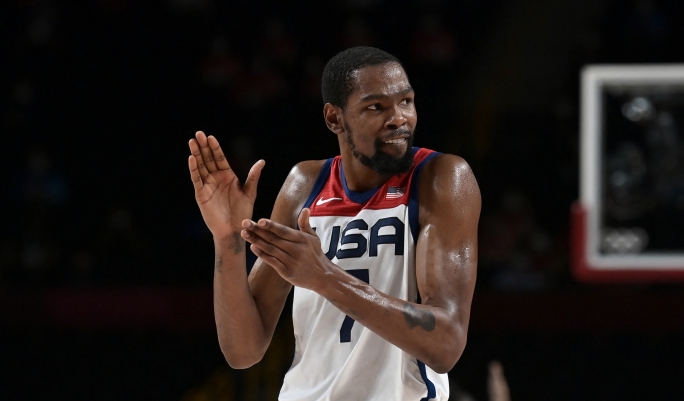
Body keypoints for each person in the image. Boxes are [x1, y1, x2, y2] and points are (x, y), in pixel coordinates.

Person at [187, 46, 481, 401]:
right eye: (376, 107)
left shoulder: (441, 178)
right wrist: (227, 239)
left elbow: (446, 344)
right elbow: (243, 351)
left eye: (406, 101)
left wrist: (324, 277)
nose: (399, 118)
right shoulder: (304, 184)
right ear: (334, 119)